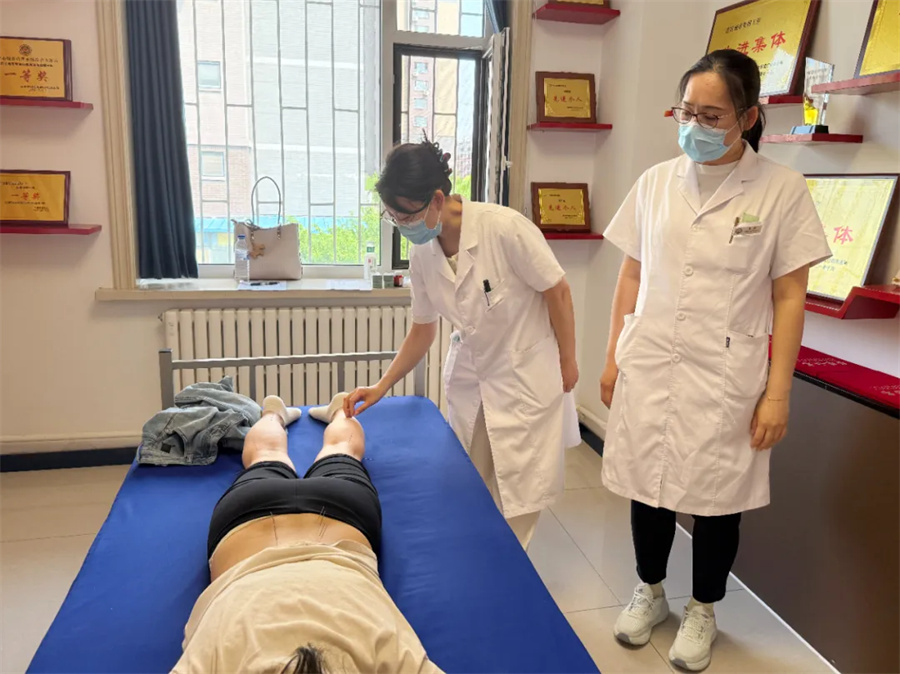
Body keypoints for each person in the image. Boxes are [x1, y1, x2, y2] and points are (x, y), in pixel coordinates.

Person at [599, 50, 831, 671]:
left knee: (717, 497)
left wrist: (778, 394)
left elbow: (789, 296)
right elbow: (631, 274)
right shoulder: (656, 182)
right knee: (647, 485)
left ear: (748, 117)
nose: (694, 126)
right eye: (686, 112)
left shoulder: (781, 189)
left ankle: (703, 608)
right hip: (650, 360)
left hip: (728, 373)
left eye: (711, 115)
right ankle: (650, 591)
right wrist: (613, 356)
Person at [343, 140, 580, 549]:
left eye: (406, 215)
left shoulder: (504, 228)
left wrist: (568, 360)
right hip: (473, 378)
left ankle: (507, 576)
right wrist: (382, 386)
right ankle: (477, 563)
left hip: (524, 378)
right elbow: (423, 329)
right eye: (392, 216)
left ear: (437, 199)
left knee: (520, 498)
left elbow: (557, 290)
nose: (402, 224)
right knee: (469, 485)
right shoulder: (423, 253)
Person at [172, 394, 443, 674]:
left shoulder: (382, 645)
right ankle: (291, 412)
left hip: (335, 517)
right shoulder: (221, 651)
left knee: (339, 451)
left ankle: (297, 413)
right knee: (268, 455)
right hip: (256, 519)